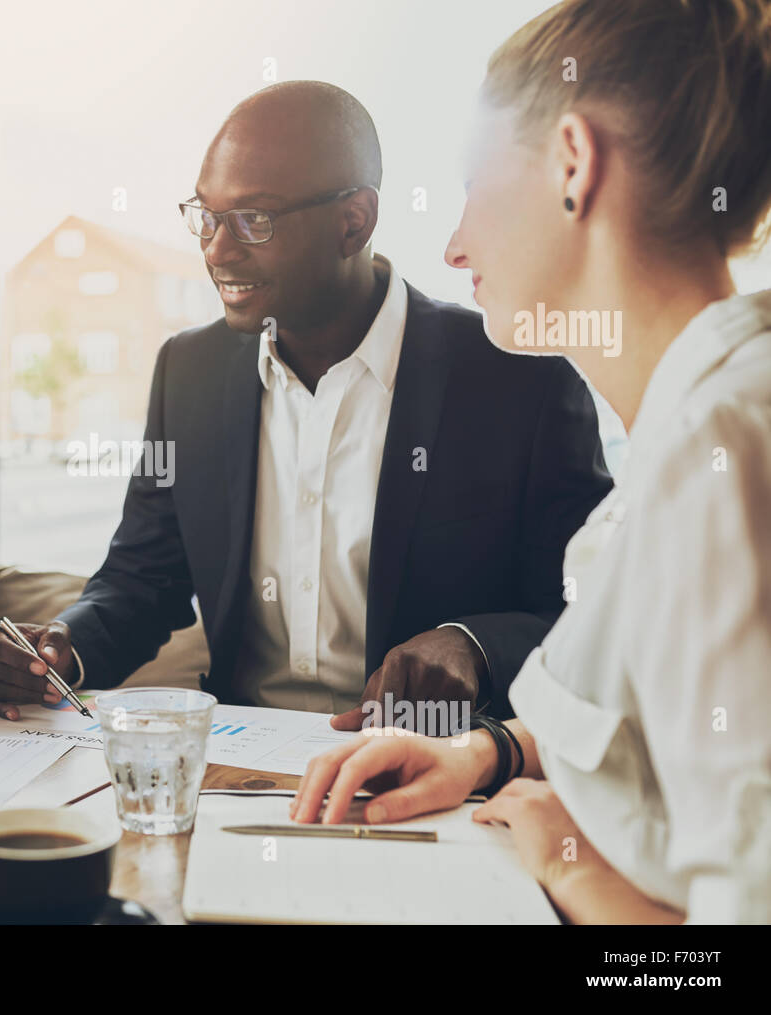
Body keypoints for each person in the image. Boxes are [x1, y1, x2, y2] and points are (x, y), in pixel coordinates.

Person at [293, 0, 771, 924]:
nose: (454, 244)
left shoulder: (720, 461)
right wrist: (486, 754)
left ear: (572, 163)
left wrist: (574, 865)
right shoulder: (700, 429)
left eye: (475, 184)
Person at [0, 81, 612, 724]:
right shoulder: (187, 372)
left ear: (353, 222)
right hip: (234, 762)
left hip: (428, 763)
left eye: (255, 219)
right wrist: (60, 646)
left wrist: (473, 647)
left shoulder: (520, 379)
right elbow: (141, 578)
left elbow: (592, 613)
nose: (218, 250)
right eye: (207, 217)